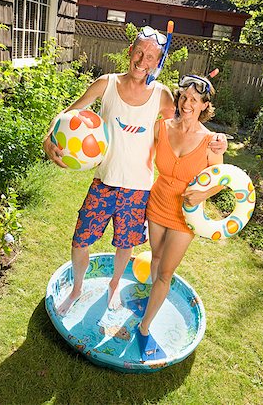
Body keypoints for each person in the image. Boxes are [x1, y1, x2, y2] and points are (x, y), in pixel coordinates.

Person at [43, 28, 227, 315]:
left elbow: (184, 126)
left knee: (125, 247)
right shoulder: (106, 83)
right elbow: (68, 112)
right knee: (80, 240)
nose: (142, 60)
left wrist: (216, 141)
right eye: (139, 52)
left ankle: (114, 286)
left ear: (157, 62)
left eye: (151, 57)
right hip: (103, 183)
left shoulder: (162, 95)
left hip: (138, 191)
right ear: (130, 51)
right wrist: (48, 138)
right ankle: (77, 288)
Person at [136, 73, 225, 361]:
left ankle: (145, 327)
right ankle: (149, 302)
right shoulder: (162, 127)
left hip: (184, 216)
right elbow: (137, 148)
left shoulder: (211, 141)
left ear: (204, 105)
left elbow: (219, 179)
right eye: (184, 97)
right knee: (156, 256)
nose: (187, 103)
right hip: (157, 202)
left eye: (195, 100)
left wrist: (203, 195)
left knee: (165, 272)